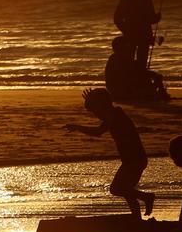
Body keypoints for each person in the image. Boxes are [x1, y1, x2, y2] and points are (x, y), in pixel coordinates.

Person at [64, 88, 155, 218]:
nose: (96, 114)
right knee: (126, 190)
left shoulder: (113, 114)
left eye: (95, 110)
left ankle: (147, 197)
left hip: (134, 160)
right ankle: (137, 219)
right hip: (133, 159)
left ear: (102, 105)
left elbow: (98, 132)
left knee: (116, 189)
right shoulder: (114, 113)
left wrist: (78, 127)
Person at [113, 0, 161, 69]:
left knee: (133, 60)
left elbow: (117, 19)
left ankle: (135, 79)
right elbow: (151, 19)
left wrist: (125, 30)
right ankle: (138, 79)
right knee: (138, 61)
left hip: (137, 35)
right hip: (139, 35)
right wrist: (157, 18)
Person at [105, 36, 170, 102]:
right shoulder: (118, 60)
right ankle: (158, 94)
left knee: (152, 77)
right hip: (121, 92)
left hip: (119, 91)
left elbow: (134, 72)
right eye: (127, 46)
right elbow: (129, 75)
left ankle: (154, 94)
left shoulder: (118, 58)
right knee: (153, 78)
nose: (131, 48)